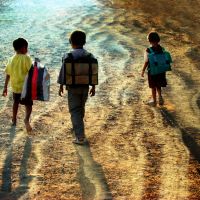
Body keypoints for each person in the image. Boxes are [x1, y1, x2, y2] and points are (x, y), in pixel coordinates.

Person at [58, 30, 97, 145]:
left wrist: (61, 85)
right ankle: (77, 126)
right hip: (85, 87)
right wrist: (93, 87)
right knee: (80, 107)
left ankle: (80, 137)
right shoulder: (90, 56)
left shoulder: (67, 56)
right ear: (84, 42)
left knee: (74, 110)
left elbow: (63, 73)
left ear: (70, 42)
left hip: (73, 88)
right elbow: (94, 72)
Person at [2, 38, 33, 132]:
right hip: (26, 88)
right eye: (27, 47)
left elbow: (8, 74)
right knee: (28, 105)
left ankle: (14, 119)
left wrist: (5, 87)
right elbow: (31, 72)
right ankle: (26, 120)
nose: (27, 50)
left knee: (15, 103)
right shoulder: (26, 58)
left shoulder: (11, 59)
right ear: (24, 48)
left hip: (15, 87)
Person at [141, 31, 169, 106]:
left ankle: (154, 101)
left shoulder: (148, 50)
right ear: (158, 40)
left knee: (153, 86)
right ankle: (160, 98)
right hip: (161, 71)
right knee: (158, 85)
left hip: (152, 71)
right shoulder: (162, 49)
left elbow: (146, 62)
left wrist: (143, 70)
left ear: (149, 41)